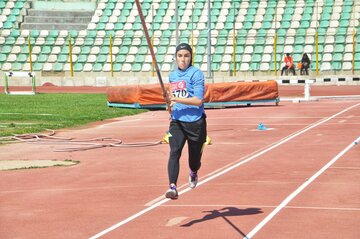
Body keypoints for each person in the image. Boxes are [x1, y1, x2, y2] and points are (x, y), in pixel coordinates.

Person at [165, 43, 207, 200]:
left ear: (191, 57)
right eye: (180, 56)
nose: (183, 59)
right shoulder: (172, 75)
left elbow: (198, 101)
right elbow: (171, 96)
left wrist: (176, 98)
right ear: (176, 57)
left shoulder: (196, 74)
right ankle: (172, 187)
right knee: (174, 152)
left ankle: (194, 171)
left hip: (195, 122)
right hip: (177, 121)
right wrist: (170, 104)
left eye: (186, 56)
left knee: (194, 159)